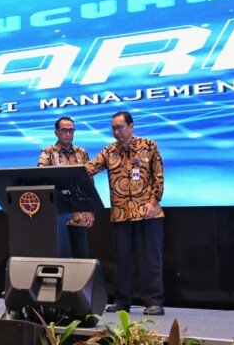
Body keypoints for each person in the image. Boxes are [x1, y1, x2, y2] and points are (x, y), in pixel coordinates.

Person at [86, 111, 165, 315]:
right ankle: (122, 302)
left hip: (148, 212)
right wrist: (64, 174)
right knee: (122, 260)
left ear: (131, 126)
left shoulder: (149, 145)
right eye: (113, 128)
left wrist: (153, 202)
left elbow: (158, 176)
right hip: (121, 213)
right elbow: (89, 168)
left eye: (120, 127)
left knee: (150, 259)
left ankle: (154, 301)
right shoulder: (109, 151)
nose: (116, 131)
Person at [37, 116, 94, 258]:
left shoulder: (82, 153)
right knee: (61, 257)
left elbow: (89, 183)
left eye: (71, 130)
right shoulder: (48, 152)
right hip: (58, 214)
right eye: (64, 130)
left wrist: (90, 210)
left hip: (79, 213)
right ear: (56, 132)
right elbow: (40, 176)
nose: (68, 134)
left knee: (82, 257)